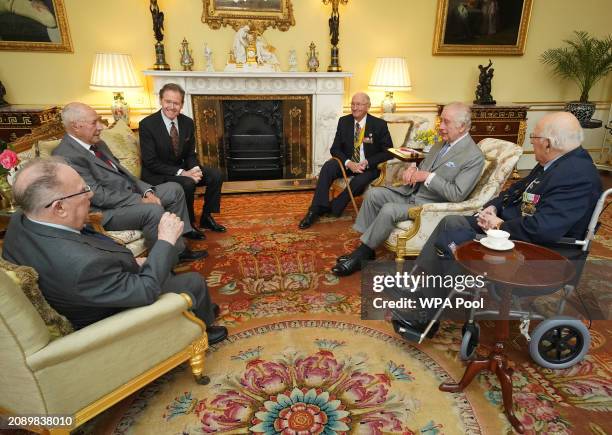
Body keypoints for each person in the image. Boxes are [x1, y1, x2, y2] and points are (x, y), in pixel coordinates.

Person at [395, 111, 603, 338]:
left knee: (455, 237)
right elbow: (516, 190)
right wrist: (493, 207)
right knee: (450, 223)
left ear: (548, 144)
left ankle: (428, 315)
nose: (531, 143)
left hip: (541, 253)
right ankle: (424, 289)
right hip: (515, 230)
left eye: (533, 138)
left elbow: (544, 229)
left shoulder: (576, 175)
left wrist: (500, 225)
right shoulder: (555, 161)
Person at [2, 157, 228, 344]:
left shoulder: (22, 220)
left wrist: (133, 264)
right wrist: (165, 241)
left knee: (161, 270)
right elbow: (146, 290)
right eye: (83, 191)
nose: (90, 195)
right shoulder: (81, 265)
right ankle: (201, 330)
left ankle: (198, 307)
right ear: (58, 207)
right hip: (108, 317)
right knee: (192, 282)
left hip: (98, 288)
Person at [332, 102, 485, 277]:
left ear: (462, 126)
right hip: (411, 192)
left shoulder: (473, 157)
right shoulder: (441, 143)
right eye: (441, 120)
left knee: (389, 210)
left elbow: (457, 194)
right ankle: (367, 249)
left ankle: (360, 255)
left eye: (446, 122)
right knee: (374, 193)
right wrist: (414, 169)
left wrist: (427, 177)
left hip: (430, 205)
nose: (440, 126)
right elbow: (425, 166)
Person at [52, 102, 206, 262]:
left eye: (99, 120)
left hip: (128, 194)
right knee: (152, 210)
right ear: (76, 126)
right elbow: (97, 196)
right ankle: (161, 265)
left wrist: (146, 191)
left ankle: (178, 248)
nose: (101, 127)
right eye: (94, 122)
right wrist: (140, 200)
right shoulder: (67, 156)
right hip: (105, 211)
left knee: (174, 189)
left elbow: (125, 173)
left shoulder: (98, 144)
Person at [140, 83, 225, 237]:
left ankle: (206, 217)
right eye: (168, 102)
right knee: (187, 182)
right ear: (160, 101)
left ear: (182, 105)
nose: (172, 107)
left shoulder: (187, 122)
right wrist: (182, 173)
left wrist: (195, 170)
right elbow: (150, 161)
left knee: (216, 175)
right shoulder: (147, 125)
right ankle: (188, 224)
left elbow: (190, 154)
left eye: (176, 103)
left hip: (183, 168)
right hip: (158, 173)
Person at [298, 92, 393, 229]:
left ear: (368, 106)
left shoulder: (379, 125)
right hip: (348, 163)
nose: (355, 107)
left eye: (359, 104)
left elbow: (388, 151)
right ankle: (314, 210)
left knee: (359, 181)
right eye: (353, 104)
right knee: (328, 167)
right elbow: (335, 149)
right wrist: (349, 163)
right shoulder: (344, 121)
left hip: (368, 167)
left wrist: (367, 162)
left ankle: (334, 206)